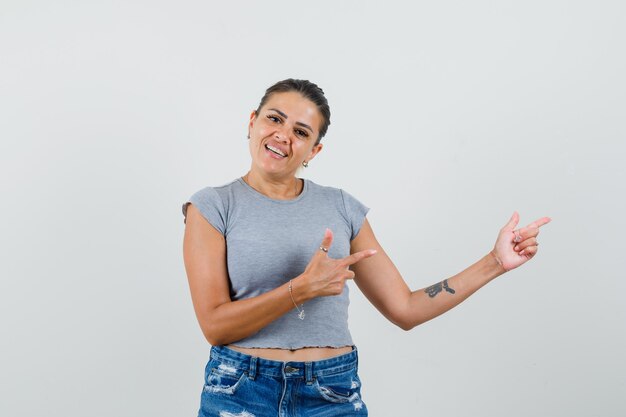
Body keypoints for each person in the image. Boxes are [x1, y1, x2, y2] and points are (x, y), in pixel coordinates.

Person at [181, 78, 551, 417]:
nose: (282, 135)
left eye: (300, 131)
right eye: (274, 119)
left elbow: (405, 309)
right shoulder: (213, 206)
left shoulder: (341, 207)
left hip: (331, 392)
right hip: (240, 391)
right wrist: (301, 289)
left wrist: (495, 262)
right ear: (252, 121)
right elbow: (215, 326)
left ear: (314, 149)